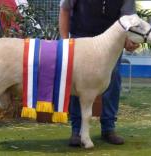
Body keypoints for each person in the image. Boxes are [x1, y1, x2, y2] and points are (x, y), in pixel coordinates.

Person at [59, 0, 139, 146]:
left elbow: (129, 20)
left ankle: (108, 128)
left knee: (113, 78)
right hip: (80, 39)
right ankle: (76, 131)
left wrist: (130, 41)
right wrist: (64, 42)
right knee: (79, 83)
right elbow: (64, 9)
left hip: (111, 42)